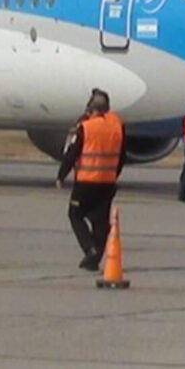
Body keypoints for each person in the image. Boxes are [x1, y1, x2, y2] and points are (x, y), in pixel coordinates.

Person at [55, 89, 126, 272]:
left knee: (75, 214)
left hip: (86, 181)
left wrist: (61, 175)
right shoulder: (117, 126)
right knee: (101, 221)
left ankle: (90, 249)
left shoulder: (86, 127)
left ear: (91, 109)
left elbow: (72, 154)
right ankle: (95, 258)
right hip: (108, 182)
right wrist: (113, 174)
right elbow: (122, 156)